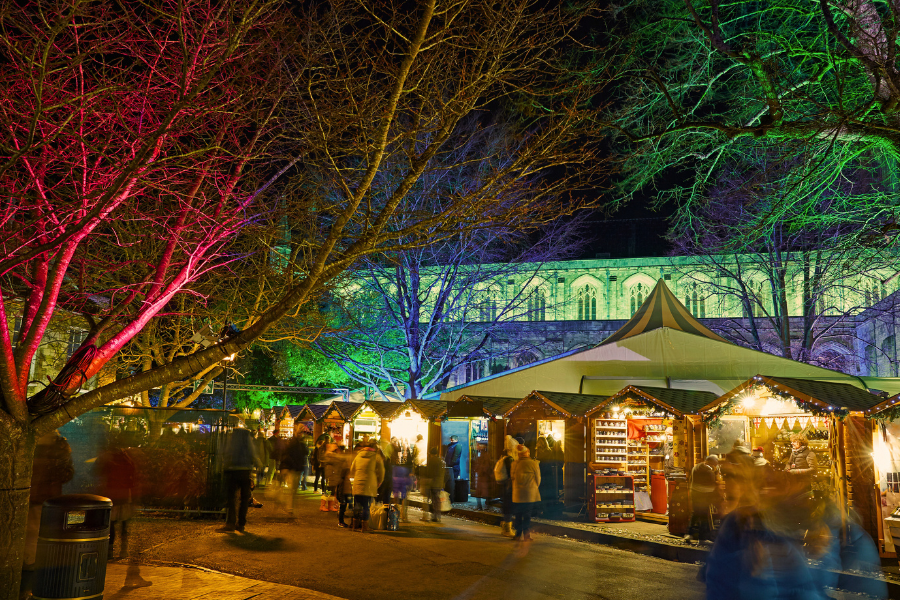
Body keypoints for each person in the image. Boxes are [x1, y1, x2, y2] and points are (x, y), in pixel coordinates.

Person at [22, 431, 74, 597]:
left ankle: (25, 586)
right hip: (46, 499)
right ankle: (32, 586)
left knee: (30, 541)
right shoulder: (58, 447)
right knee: (37, 541)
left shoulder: (27, 441)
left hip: (30, 498)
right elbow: (66, 473)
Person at [219, 426, 261, 533]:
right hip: (245, 472)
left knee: (231, 498)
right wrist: (257, 464)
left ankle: (230, 523)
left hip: (232, 471)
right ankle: (241, 524)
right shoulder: (248, 442)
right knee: (244, 499)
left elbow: (225, 453)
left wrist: (225, 465)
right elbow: (253, 454)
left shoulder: (232, 441)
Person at [349, 440, 384, 532]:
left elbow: (352, 469)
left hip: (357, 483)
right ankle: (364, 527)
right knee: (366, 506)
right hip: (369, 484)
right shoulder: (376, 456)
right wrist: (379, 481)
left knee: (356, 505)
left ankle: (354, 526)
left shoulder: (358, 455)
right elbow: (381, 472)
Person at [686, 455, 719, 545]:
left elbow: (690, 480)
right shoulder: (709, 471)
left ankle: (689, 534)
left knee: (695, 513)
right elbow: (713, 485)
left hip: (694, 493)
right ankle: (702, 538)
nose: (715, 466)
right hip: (705, 495)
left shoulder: (696, 467)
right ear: (710, 463)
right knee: (704, 516)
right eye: (714, 464)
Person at [510, 444, 540, 542]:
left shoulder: (514, 464)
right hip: (529, 494)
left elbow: (512, 477)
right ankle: (526, 536)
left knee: (518, 515)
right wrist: (534, 487)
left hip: (518, 494)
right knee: (527, 515)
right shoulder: (533, 463)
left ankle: (517, 535)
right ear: (527, 453)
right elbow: (538, 479)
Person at [322, 444, 352, 527]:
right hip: (341, 482)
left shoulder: (337, 460)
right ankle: (341, 521)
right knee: (343, 502)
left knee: (345, 502)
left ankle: (342, 519)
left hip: (342, 482)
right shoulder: (334, 459)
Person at [278, 434, 308, 515]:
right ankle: (290, 507)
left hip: (294, 468)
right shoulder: (296, 446)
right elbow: (305, 453)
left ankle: (290, 507)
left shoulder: (295, 446)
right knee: (292, 490)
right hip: (294, 469)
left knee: (293, 490)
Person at [421, 447, 447, 522]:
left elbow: (429, 472)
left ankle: (430, 516)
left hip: (433, 482)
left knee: (432, 500)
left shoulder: (431, 461)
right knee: (437, 500)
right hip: (439, 483)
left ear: (431, 454)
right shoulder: (441, 461)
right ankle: (437, 516)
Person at [494, 448, 514, 537]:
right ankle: (507, 529)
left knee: (506, 504)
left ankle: (505, 527)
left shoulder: (502, 459)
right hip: (508, 485)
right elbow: (511, 472)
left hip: (503, 484)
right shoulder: (509, 459)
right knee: (508, 505)